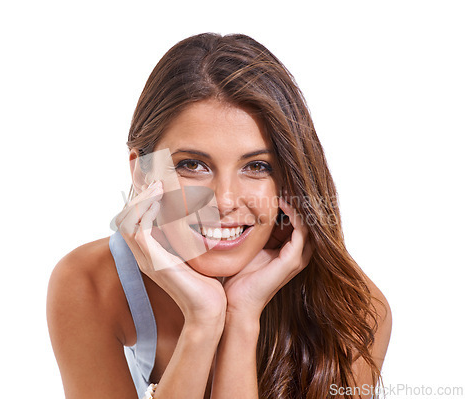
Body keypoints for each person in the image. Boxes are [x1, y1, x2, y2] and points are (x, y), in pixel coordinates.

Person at [47, 33, 391, 399]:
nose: (225, 201)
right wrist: (204, 320)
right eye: (192, 165)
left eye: (257, 166)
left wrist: (242, 319)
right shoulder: (89, 284)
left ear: (290, 178)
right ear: (143, 172)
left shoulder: (354, 310)